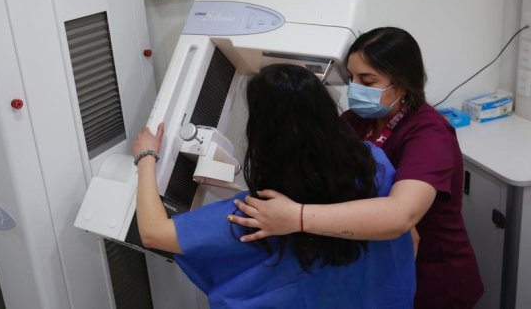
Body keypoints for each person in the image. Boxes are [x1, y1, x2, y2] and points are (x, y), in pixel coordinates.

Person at [230, 27, 484, 308]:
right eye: (350, 78)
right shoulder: (356, 121)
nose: (354, 88)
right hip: (380, 266)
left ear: (402, 84)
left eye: (367, 80)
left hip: (433, 280)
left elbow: (400, 215)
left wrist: (297, 217)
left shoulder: (430, 135)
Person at [133, 63, 415, 309]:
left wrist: (146, 157)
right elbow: (411, 239)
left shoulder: (254, 216)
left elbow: (153, 233)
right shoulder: (373, 164)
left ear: (260, 134)